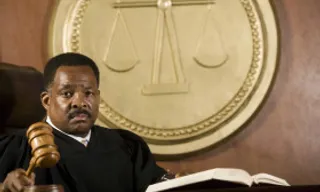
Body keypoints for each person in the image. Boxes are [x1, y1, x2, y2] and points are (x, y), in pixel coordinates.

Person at [0, 53, 171, 192]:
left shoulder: (127, 146)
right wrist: (4, 188)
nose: (80, 102)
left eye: (88, 93)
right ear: (46, 101)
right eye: (67, 94)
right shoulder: (14, 149)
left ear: (98, 98)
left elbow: (159, 185)